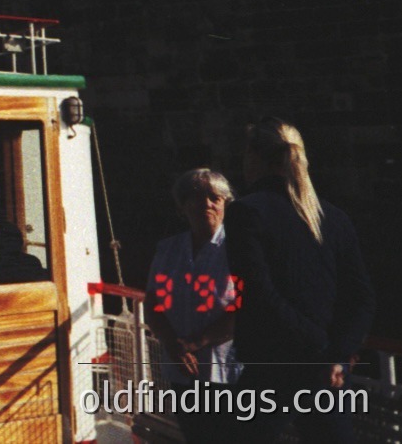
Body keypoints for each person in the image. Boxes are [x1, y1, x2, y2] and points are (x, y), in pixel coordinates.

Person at [225, 119, 374, 444]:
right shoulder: (333, 217)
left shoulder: (246, 213)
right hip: (327, 373)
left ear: (254, 156)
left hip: (273, 365)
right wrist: (336, 353)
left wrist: (318, 348)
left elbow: (258, 292)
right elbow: (361, 298)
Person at [145, 169, 240, 442]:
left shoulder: (239, 250)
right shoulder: (169, 250)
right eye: (197, 198)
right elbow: (155, 303)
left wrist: (195, 343)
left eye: (215, 198)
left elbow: (244, 308)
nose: (206, 204)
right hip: (182, 370)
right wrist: (174, 344)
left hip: (226, 371)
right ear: (182, 205)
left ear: (225, 204)